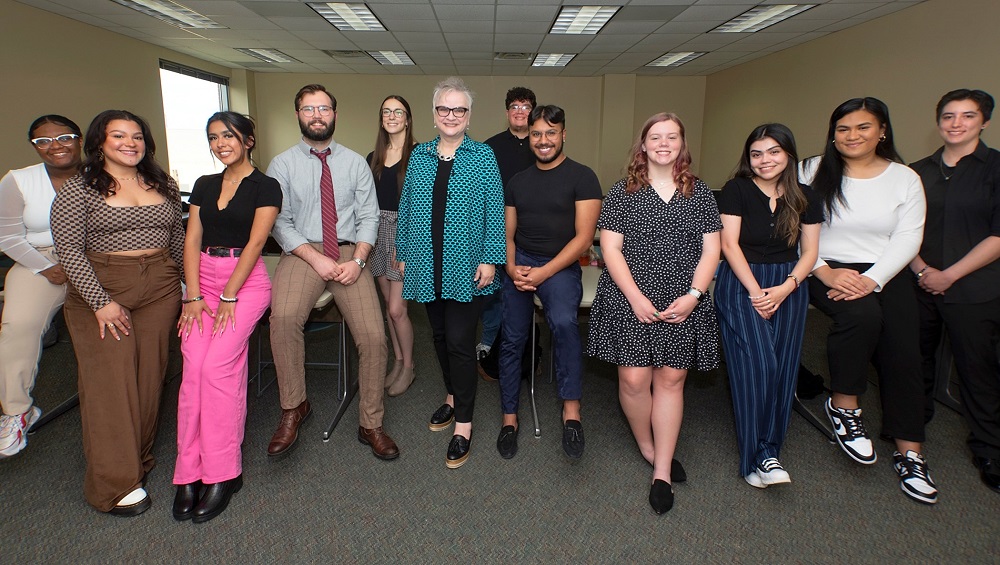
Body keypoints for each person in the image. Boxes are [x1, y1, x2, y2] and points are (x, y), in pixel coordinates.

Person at [800, 97, 937, 504]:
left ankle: (910, 453)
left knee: (904, 351)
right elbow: (789, 225)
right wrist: (824, 271)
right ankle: (844, 405)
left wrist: (873, 279)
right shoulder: (811, 170)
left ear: (882, 131)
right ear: (833, 134)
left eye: (863, 127)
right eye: (843, 129)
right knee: (861, 319)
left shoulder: (905, 178)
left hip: (885, 269)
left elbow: (909, 237)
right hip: (820, 265)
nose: (852, 135)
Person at [51, 110, 184, 516]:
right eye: (119, 136)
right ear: (99, 143)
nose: (131, 143)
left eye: (137, 136)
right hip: (104, 290)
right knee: (111, 384)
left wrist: (190, 289)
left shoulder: (163, 182)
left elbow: (176, 236)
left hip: (160, 286)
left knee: (148, 379)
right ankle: (112, 485)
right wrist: (100, 302)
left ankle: (136, 462)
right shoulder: (79, 189)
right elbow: (69, 250)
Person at [587, 113, 721, 514]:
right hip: (630, 297)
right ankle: (647, 445)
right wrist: (635, 298)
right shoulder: (622, 192)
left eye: (672, 137)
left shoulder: (700, 193)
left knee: (672, 378)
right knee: (632, 379)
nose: (664, 143)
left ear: (682, 144)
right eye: (655, 137)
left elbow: (712, 250)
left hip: (682, 298)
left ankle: (661, 469)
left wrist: (695, 295)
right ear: (642, 146)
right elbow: (609, 249)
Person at [265, 84, 398, 461]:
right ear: (298, 116)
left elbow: (370, 216)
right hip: (302, 252)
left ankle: (370, 423)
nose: (317, 115)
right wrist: (314, 258)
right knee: (285, 318)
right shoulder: (282, 164)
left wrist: (358, 260)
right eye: (309, 109)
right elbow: (281, 222)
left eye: (323, 108)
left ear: (335, 115)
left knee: (374, 337)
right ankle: (294, 407)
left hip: (348, 253)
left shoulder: (355, 162)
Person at [172, 112, 281, 523]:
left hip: (245, 284)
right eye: (213, 137)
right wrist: (194, 294)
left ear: (248, 140)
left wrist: (230, 295)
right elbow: (192, 239)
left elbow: (256, 242)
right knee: (193, 368)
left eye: (229, 136)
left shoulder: (265, 185)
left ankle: (223, 472)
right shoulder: (204, 184)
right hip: (202, 282)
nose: (220, 143)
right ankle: (188, 472)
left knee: (218, 367)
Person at [395, 77, 505, 469]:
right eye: (445, 109)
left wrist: (491, 258)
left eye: (459, 109)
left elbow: (496, 209)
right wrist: (405, 252)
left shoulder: (483, 156)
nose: (451, 115)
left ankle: (464, 424)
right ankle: (452, 395)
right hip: (426, 262)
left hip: (466, 266)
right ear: (434, 114)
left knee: (460, 342)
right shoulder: (421, 155)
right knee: (439, 336)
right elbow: (407, 207)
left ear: (469, 115)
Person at [714, 124, 822, 488]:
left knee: (783, 370)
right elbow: (729, 245)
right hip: (742, 282)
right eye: (757, 153)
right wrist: (759, 292)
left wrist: (786, 288)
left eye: (773, 152)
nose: (765, 160)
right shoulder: (736, 190)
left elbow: (809, 253)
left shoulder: (806, 196)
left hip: (789, 285)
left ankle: (771, 449)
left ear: (789, 154)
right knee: (758, 365)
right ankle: (755, 456)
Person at [496, 104, 601, 460]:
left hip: (560, 265)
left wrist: (543, 273)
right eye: (537, 133)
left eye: (551, 133)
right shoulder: (517, 182)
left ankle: (571, 411)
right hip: (520, 262)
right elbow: (507, 235)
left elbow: (584, 239)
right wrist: (511, 268)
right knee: (512, 335)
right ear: (530, 137)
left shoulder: (583, 177)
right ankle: (510, 417)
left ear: (563, 135)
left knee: (563, 323)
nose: (543, 141)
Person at [909, 89, 1000, 494]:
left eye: (967, 116)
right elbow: (903, 231)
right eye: (948, 115)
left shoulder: (995, 168)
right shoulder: (917, 172)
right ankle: (913, 426)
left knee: (977, 370)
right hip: (918, 280)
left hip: (975, 286)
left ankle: (989, 448)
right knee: (914, 360)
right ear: (938, 121)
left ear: (984, 121)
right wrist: (924, 270)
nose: (956, 123)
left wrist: (950, 275)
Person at [0, 115, 82, 458]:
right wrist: (47, 267)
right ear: (34, 146)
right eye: (43, 141)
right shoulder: (18, 180)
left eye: (63, 137)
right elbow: (7, 236)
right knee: (17, 326)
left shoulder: (101, 174)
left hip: (94, 256)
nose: (55, 146)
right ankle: (16, 411)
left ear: (79, 139)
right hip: (39, 260)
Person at [478, 86, 538, 377]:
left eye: (526, 106)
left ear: (533, 112)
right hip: (493, 231)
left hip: (530, 233)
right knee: (492, 292)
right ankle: (489, 342)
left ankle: (527, 349)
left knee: (522, 291)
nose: (519, 111)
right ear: (507, 112)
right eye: (514, 106)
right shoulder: (491, 147)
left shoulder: (543, 146)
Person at [366, 95, 416, 397]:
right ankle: (397, 361)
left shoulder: (419, 155)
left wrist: (408, 247)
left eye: (398, 111)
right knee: (388, 305)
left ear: (408, 118)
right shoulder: (373, 155)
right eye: (386, 111)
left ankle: (409, 366)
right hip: (377, 231)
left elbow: (421, 205)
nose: (392, 116)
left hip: (404, 233)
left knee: (398, 309)